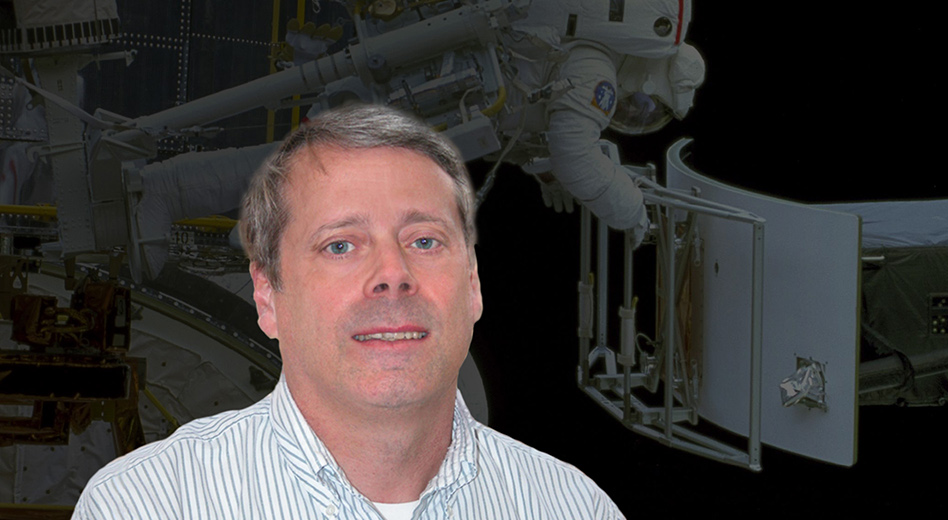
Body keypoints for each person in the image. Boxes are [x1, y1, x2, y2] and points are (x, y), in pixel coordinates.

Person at [73, 104, 623, 519]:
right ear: (267, 297)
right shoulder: (146, 504)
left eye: (425, 240)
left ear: (474, 285)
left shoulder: (571, 507)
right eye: (340, 245)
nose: (393, 273)